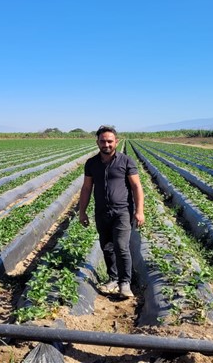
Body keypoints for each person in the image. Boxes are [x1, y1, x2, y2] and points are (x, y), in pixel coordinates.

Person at [78, 125, 145, 298]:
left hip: (123, 211)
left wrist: (139, 211)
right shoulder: (91, 163)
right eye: (103, 141)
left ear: (116, 141)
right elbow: (86, 188)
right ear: (97, 142)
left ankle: (125, 283)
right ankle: (113, 278)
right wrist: (82, 211)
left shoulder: (126, 161)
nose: (106, 144)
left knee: (121, 246)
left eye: (109, 141)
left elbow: (136, 186)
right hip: (101, 212)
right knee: (107, 247)